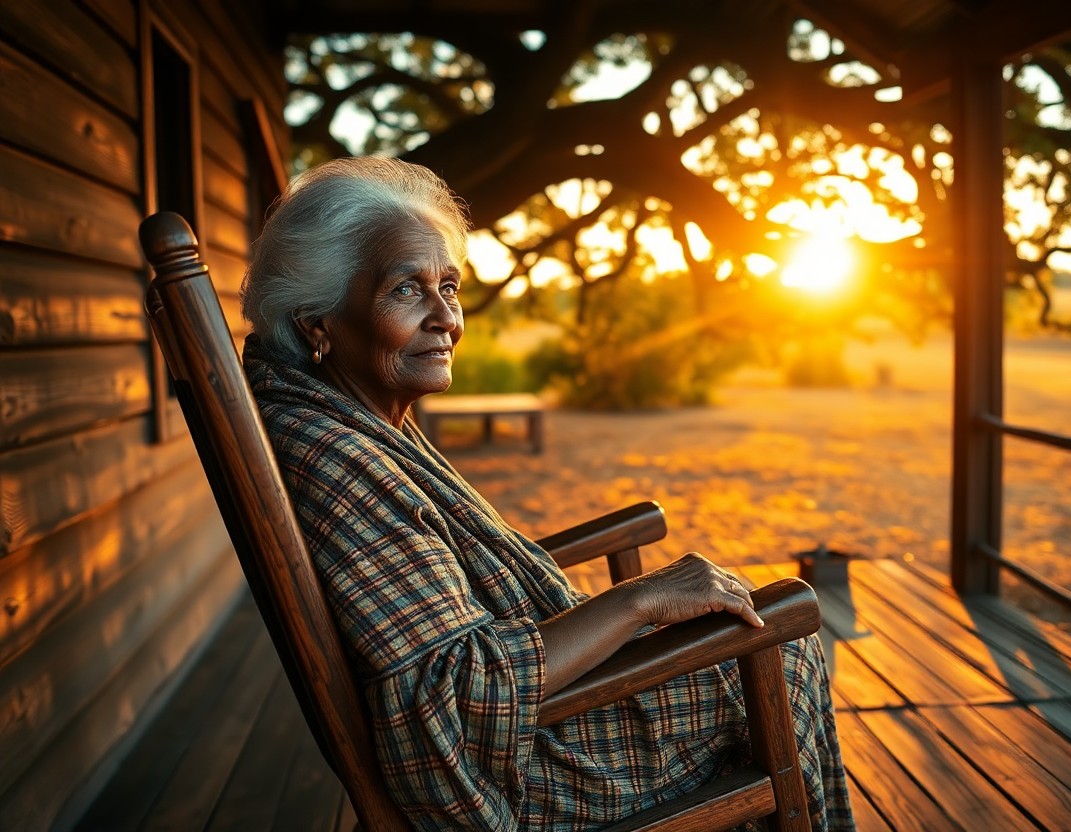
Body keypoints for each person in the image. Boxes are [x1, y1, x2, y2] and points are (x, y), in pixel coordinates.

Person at [239, 156, 854, 831]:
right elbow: (452, 694)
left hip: (530, 726)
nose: (446, 317)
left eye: (449, 285)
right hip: (532, 775)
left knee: (760, 633)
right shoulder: (339, 462)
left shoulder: (347, 419)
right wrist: (640, 598)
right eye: (405, 291)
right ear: (316, 323)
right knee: (784, 637)